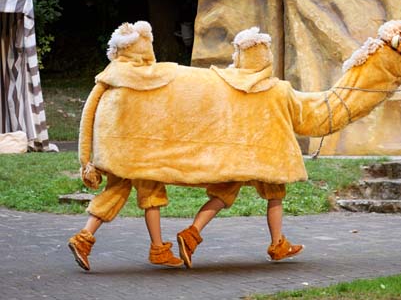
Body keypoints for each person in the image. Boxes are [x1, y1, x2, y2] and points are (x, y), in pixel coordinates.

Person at [176, 27, 304, 269]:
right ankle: (278, 244)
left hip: (235, 154)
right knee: (275, 195)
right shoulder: (278, 89)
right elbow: (296, 115)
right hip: (265, 156)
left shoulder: (228, 86)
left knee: (221, 195)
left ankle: (191, 234)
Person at [68, 21, 183, 271]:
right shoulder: (147, 76)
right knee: (149, 194)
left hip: (117, 151)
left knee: (121, 192)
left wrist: (85, 158)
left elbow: (88, 116)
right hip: (142, 151)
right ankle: (156, 249)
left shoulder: (110, 76)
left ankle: (86, 239)